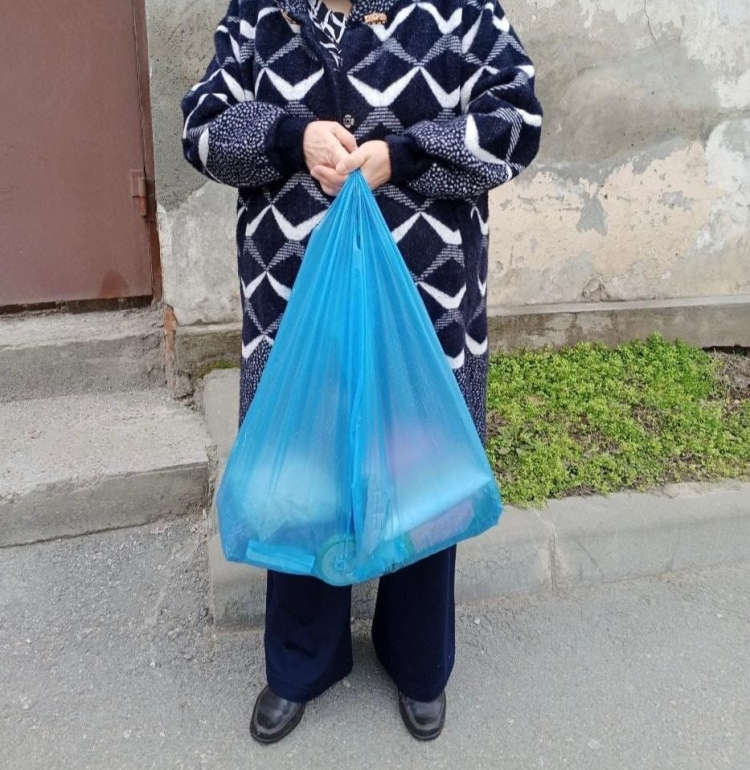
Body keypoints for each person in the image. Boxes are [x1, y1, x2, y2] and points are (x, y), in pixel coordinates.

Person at [181, 0, 542, 744]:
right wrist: (291, 137)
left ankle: (418, 658)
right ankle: (301, 660)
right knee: (304, 476)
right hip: (294, 308)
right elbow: (203, 129)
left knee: (421, 471)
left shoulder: (459, 12)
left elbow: (517, 122)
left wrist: (402, 155)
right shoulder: (261, 13)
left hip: (426, 304)